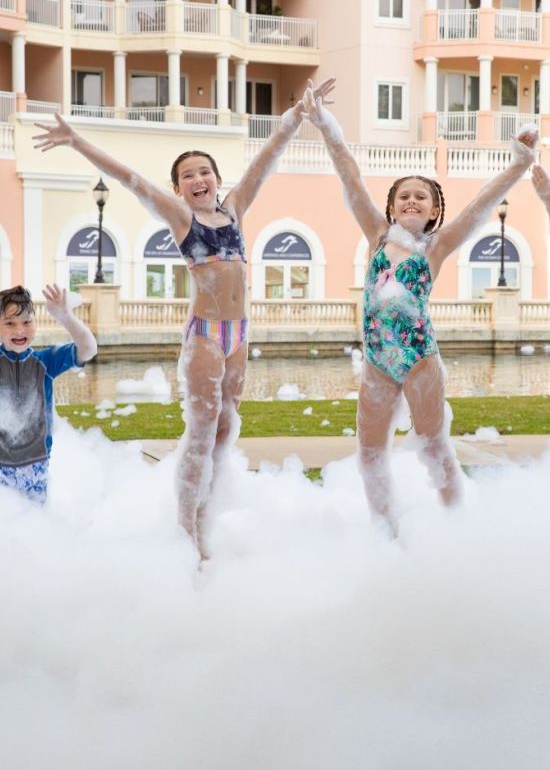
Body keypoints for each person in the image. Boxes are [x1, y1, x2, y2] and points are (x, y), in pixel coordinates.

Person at [33, 81, 335, 557]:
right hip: (207, 337)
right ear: (178, 188)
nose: (198, 180)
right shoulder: (182, 220)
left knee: (223, 430)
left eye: (205, 172)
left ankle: (206, 514)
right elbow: (132, 180)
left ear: (216, 178)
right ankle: (185, 532)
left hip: (239, 335)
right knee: (201, 429)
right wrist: (78, 143)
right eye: (188, 176)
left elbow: (267, 159)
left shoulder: (234, 212)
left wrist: (298, 113)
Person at [302, 80, 537, 535]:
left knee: (433, 445)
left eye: (421, 196)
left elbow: (480, 205)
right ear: (391, 207)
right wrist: (324, 123)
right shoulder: (376, 235)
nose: (411, 200)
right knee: (370, 451)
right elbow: (350, 175)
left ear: (432, 211)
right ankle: (385, 529)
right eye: (403, 195)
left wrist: (520, 163)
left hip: (419, 358)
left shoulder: (436, 246)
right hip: (376, 360)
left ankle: (456, 524)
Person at [0, 283, 97, 503]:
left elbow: (89, 349)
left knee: (34, 529)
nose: (19, 330)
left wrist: (65, 317)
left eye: (26, 321)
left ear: (35, 323)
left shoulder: (45, 362)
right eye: (9, 323)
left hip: (36, 469)